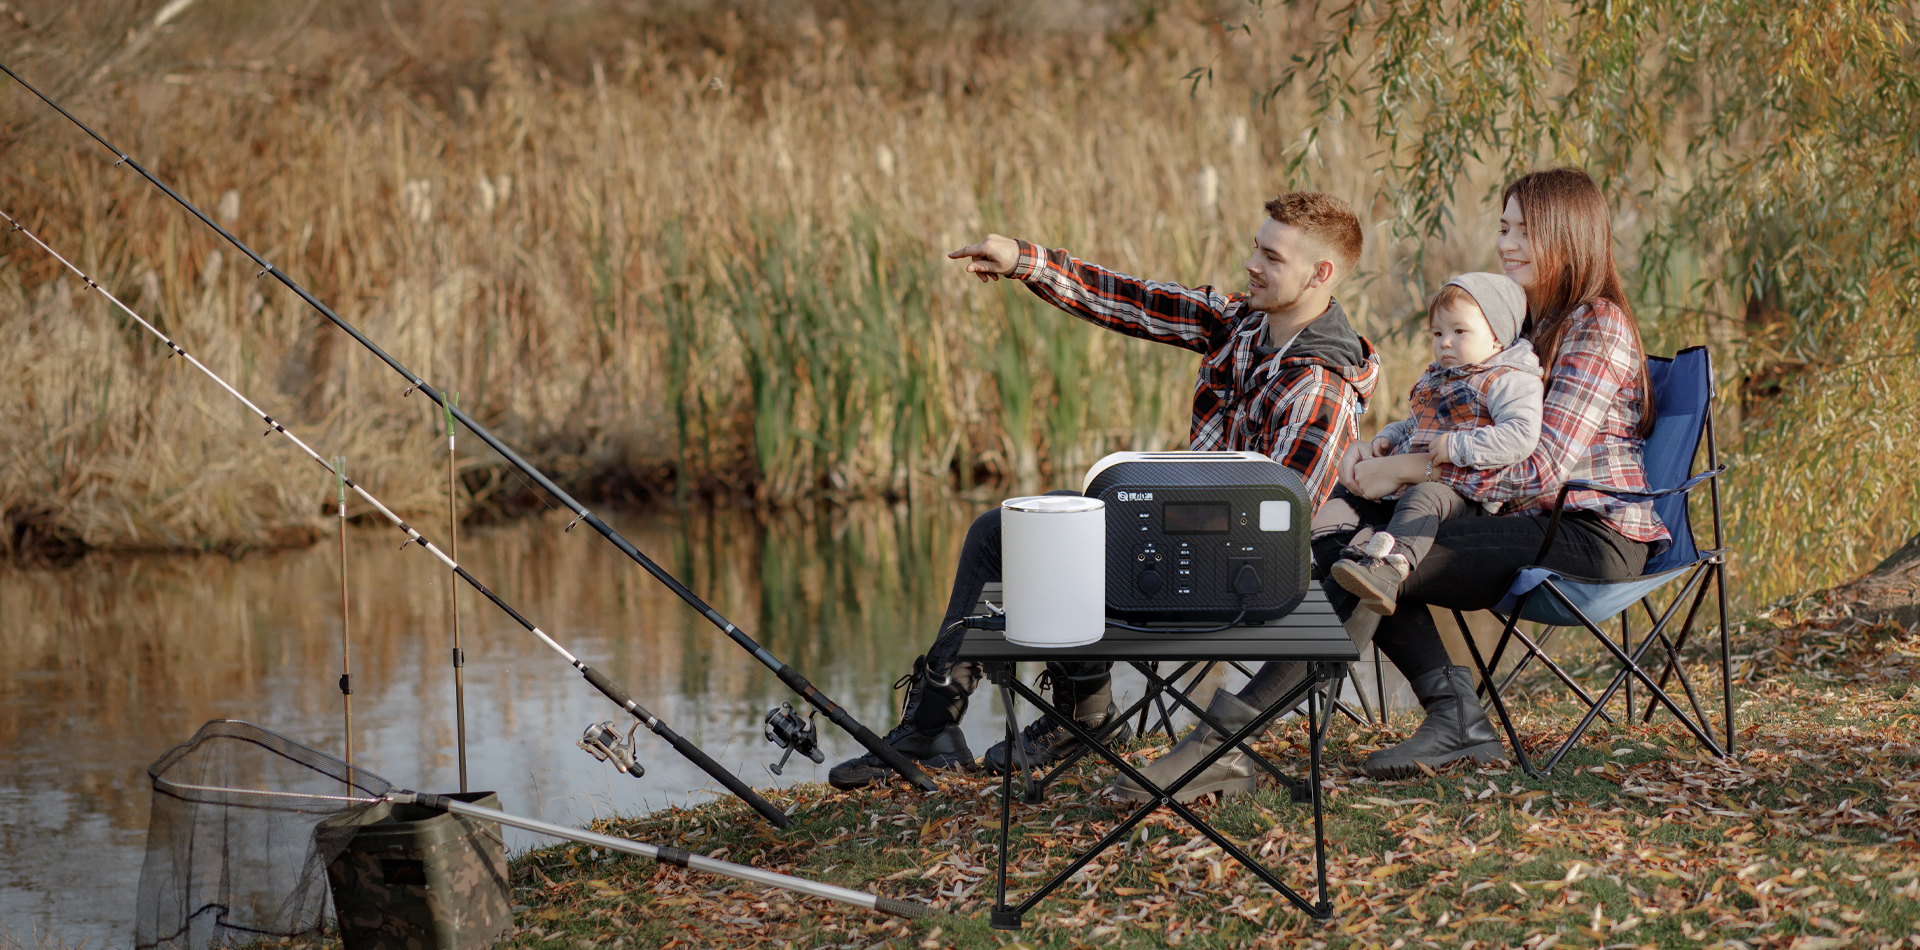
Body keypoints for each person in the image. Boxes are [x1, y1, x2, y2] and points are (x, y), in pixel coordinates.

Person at [826, 193, 1381, 791]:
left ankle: (1068, 716)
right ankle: (948, 727)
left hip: (1231, 580)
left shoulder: (1320, 387)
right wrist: (1024, 261)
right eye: (1255, 245)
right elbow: (1130, 299)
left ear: (1320, 273)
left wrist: (1141, 520)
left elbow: (1279, 526)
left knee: (1050, 538)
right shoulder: (1241, 325)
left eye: (1270, 256)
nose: (1250, 262)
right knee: (1008, 528)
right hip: (1180, 541)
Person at [1326, 166, 1669, 780]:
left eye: (1523, 230)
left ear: (1566, 234)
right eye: (1503, 227)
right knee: (1346, 533)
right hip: (1528, 518)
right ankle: (1455, 719)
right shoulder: (1526, 327)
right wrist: (1378, 457)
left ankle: (1243, 722)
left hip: (1592, 535)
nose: (1505, 244)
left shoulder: (1597, 325)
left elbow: (1539, 469)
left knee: (1371, 556)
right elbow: (1470, 433)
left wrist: (1411, 466)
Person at [1324, 272, 1541, 616]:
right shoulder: (1439, 375)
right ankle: (1335, 551)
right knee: (1349, 492)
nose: (1445, 343)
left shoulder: (1508, 379)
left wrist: (1459, 446)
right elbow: (1414, 423)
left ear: (1498, 339)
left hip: (1466, 496)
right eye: (1438, 333)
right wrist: (1388, 438)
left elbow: (1521, 435)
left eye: (1459, 332)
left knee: (1423, 497)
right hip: (1418, 477)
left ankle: (1391, 567)